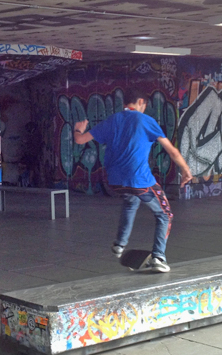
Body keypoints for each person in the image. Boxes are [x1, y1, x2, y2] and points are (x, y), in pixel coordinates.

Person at [73, 89, 193, 272]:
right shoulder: (146, 121)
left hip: (115, 181)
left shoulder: (112, 120)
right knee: (165, 215)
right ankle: (158, 257)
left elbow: (80, 140)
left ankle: (119, 244)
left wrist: (78, 129)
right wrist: (185, 170)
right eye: (144, 106)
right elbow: (172, 151)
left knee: (131, 202)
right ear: (140, 102)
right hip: (140, 180)